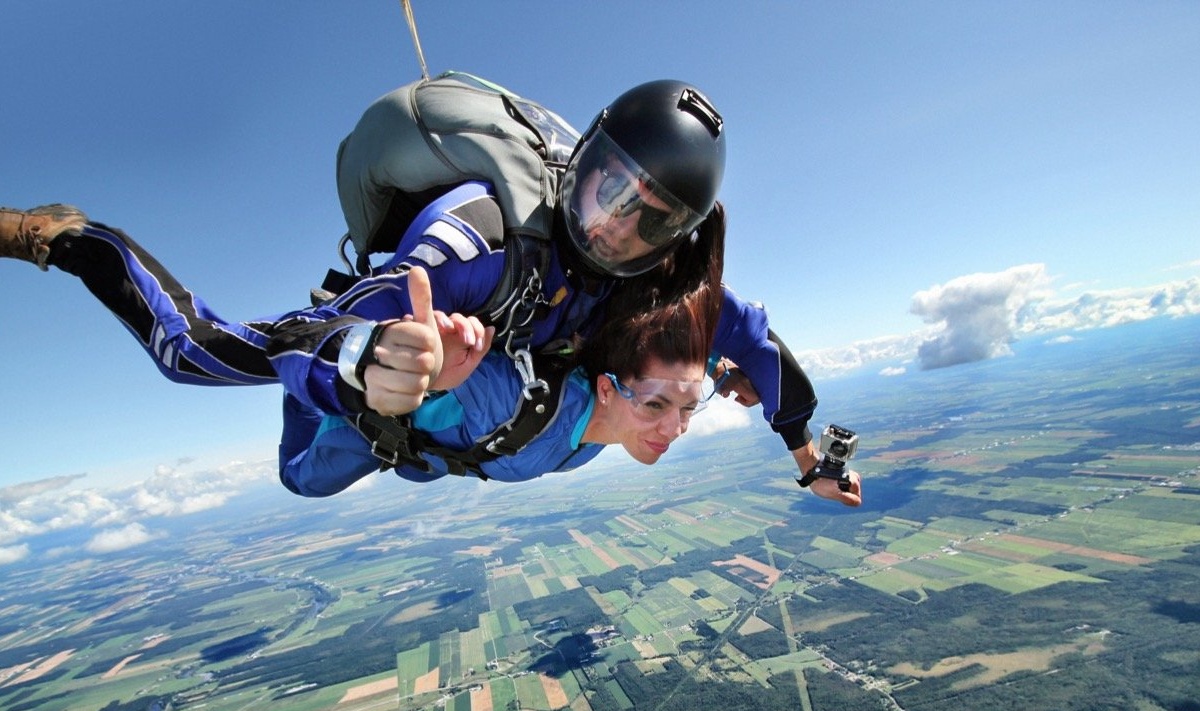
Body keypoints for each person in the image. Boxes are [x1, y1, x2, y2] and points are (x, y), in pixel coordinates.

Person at [0, 79, 861, 506]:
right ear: (584, 156)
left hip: (482, 394)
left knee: (318, 476)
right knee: (197, 362)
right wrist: (373, 360)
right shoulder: (480, 233)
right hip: (400, 368)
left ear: (676, 239)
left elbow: (764, 349)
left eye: (646, 219)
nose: (608, 227)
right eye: (606, 185)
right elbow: (348, 316)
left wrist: (806, 460)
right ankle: (69, 238)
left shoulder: (668, 282)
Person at [278, 266, 716, 496]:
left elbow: (671, 372)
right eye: (656, 406)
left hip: (437, 456)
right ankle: (321, 360)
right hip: (370, 427)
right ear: (605, 388)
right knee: (301, 480)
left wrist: (733, 367)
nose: (675, 430)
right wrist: (425, 359)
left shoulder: (616, 422)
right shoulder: (513, 396)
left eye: (690, 407)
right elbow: (456, 365)